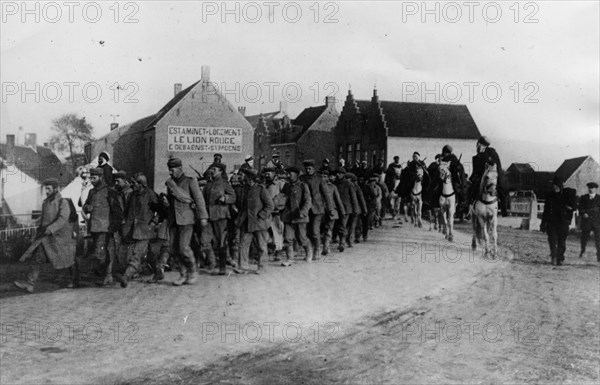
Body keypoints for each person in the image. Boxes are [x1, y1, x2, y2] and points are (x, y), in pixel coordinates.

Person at [14, 179, 78, 293]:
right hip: (47, 237)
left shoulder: (63, 202)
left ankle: (75, 280)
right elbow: (43, 218)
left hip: (61, 237)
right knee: (38, 258)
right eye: (45, 189)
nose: (46, 191)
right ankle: (30, 283)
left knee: (68, 260)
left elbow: (63, 219)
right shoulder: (45, 202)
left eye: (48, 189)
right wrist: (32, 223)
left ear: (55, 189)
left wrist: (51, 229)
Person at [165, 157, 209, 285]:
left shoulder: (190, 181)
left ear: (179, 169)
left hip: (187, 219)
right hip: (173, 220)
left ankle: (193, 271)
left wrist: (203, 217)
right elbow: (170, 201)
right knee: (173, 249)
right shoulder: (170, 183)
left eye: (172, 170)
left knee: (183, 248)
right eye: (169, 170)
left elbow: (199, 200)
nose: (170, 173)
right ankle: (183, 274)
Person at [115, 173, 158, 288]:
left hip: (145, 229)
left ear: (141, 184)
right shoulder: (132, 195)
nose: (132, 185)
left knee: (137, 254)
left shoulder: (150, 195)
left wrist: (153, 222)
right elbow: (127, 211)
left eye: (134, 183)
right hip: (133, 229)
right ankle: (158, 271)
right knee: (150, 255)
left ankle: (126, 276)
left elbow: (159, 210)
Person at [83, 167, 122, 286]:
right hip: (94, 228)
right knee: (103, 253)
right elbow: (85, 205)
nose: (92, 180)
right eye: (91, 178)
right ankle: (109, 275)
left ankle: (112, 275)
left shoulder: (109, 191)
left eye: (94, 178)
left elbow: (117, 211)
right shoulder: (91, 192)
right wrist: (87, 208)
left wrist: (114, 226)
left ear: (101, 177)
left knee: (100, 254)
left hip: (106, 228)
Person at [235, 168, 274, 273]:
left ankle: (262, 267)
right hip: (246, 222)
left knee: (261, 245)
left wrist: (261, 215)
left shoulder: (261, 189)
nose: (240, 177)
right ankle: (243, 266)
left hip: (259, 223)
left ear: (249, 177)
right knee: (243, 244)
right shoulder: (244, 190)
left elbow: (270, 206)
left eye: (242, 175)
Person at [203, 162, 237, 275]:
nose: (212, 170)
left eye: (215, 169)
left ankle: (222, 267)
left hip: (220, 216)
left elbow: (233, 197)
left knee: (221, 242)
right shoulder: (208, 184)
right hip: (208, 216)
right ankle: (212, 262)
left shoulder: (224, 183)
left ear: (221, 171)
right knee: (205, 240)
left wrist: (225, 198)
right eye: (212, 168)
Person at [540, 176, 577, 266]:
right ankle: (554, 256)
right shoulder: (550, 196)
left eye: (557, 186)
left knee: (561, 242)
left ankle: (560, 258)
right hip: (552, 222)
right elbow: (546, 211)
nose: (555, 188)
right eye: (554, 186)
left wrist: (570, 208)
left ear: (560, 186)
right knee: (552, 240)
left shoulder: (567, 195)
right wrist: (543, 223)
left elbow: (574, 206)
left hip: (563, 222)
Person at [301, 159, 332, 261]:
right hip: (305, 209)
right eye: (306, 169)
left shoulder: (319, 179)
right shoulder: (302, 179)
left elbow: (327, 195)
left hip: (317, 208)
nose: (308, 170)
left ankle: (317, 249)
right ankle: (310, 250)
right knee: (307, 231)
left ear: (313, 168)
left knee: (315, 231)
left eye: (310, 168)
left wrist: (330, 208)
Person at [280, 166, 312, 264]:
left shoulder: (303, 186)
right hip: (288, 216)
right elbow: (282, 198)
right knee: (288, 238)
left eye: (290, 174)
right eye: (287, 174)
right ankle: (290, 258)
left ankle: (309, 251)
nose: (288, 175)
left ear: (297, 175)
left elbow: (308, 201)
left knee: (302, 238)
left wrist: (303, 212)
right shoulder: (286, 186)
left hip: (300, 216)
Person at [469, 136, 508, 216]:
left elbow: (493, 164)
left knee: (500, 189)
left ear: (480, 144)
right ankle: (470, 209)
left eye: (478, 144)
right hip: (482, 176)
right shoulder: (478, 156)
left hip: (493, 175)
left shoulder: (491, 152)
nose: (477, 146)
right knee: (471, 188)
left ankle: (504, 210)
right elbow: (475, 170)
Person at [321, 169, 345, 255]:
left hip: (331, 212)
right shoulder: (316, 187)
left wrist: (342, 212)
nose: (323, 178)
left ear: (328, 178)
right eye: (321, 176)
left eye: (325, 176)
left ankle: (326, 247)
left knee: (328, 229)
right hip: (320, 212)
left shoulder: (333, 187)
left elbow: (338, 201)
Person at [264, 166, 286, 260]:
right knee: (266, 233)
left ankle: (278, 252)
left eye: (269, 173)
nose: (267, 175)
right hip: (266, 213)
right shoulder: (264, 184)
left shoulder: (280, 184)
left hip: (276, 213)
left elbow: (285, 196)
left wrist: (279, 204)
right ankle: (270, 250)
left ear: (275, 174)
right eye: (266, 173)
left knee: (277, 233)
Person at [578, 182, 600, 261]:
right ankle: (582, 251)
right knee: (584, 237)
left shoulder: (599, 198)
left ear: (595, 189)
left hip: (596, 221)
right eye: (590, 188)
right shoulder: (583, 198)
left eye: (593, 188)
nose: (591, 189)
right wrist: (583, 213)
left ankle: (599, 255)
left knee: (598, 239)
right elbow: (580, 208)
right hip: (586, 221)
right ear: (588, 188)